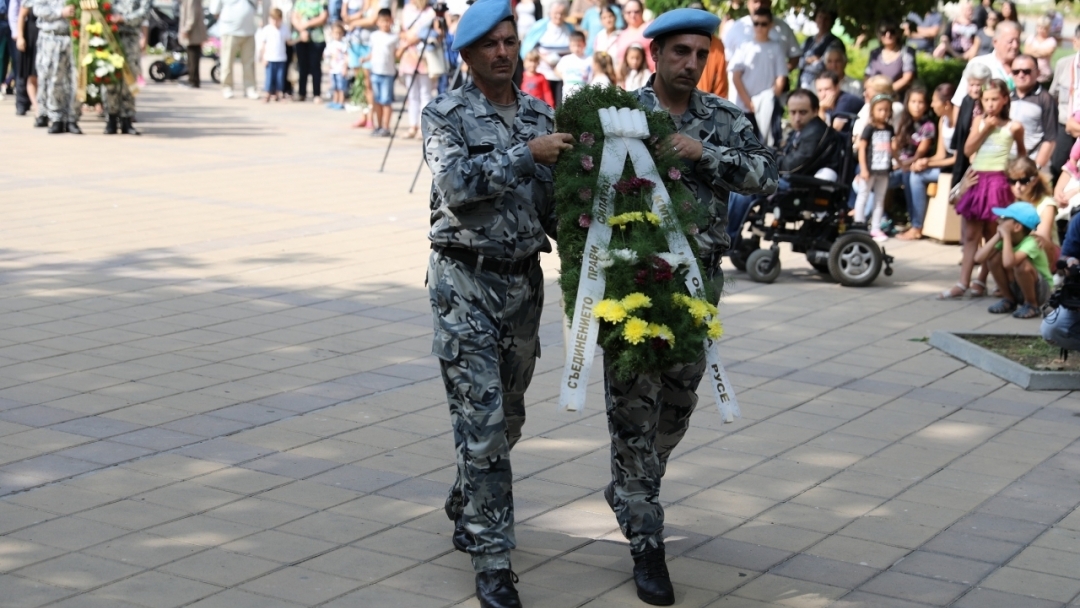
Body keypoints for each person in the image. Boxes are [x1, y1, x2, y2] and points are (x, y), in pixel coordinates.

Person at [614, 11, 776, 605]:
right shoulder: (613, 115)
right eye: (678, 51)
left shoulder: (724, 118)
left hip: (697, 289)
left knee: (677, 407)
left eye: (699, 53)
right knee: (633, 408)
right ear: (653, 55)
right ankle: (644, 534)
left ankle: (636, 485)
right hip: (629, 290)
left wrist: (704, 153)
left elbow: (766, 175)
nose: (690, 62)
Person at [423, 2, 574, 606]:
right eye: (489, 44)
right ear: (467, 54)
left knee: (506, 417)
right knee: (482, 427)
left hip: (522, 285)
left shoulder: (542, 113)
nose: (503, 52)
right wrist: (525, 155)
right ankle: (492, 560)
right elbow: (454, 186)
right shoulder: (446, 112)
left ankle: (469, 496)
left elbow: (555, 206)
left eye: (510, 41)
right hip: (463, 281)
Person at [944, 79, 1026, 300]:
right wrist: (985, 129)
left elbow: (1021, 155)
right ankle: (963, 282)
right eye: (986, 99)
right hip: (977, 180)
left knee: (992, 234)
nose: (990, 104)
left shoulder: (1014, 126)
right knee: (971, 234)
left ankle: (983, 279)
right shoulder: (979, 121)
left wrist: (1017, 179)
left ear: (1005, 100)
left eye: (994, 99)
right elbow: (968, 148)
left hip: (998, 182)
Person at [728, 89, 839, 242]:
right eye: (793, 112)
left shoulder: (815, 131)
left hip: (801, 184)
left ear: (815, 111)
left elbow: (791, 166)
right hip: (792, 180)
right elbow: (783, 155)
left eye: (802, 112)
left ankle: (728, 238)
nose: (797, 117)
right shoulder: (803, 130)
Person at [902, 83, 957, 240]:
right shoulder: (942, 121)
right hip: (945, 165)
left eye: (934, 101)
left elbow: (956, 159)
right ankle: (915, 223)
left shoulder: (960, 122)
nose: (932, 105)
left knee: (917, 176)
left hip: (957, 169)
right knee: (915, 171)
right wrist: (925, 161)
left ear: (946, 104)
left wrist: (928, 164)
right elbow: (940, 154)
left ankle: (917, 226)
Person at [977, 202, 1052, 318]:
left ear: (1017, 227)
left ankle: (1032, 305)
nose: (998, 221)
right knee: (993, 258)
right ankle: (1009, 300)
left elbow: (1008, 263)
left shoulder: (1032, 242)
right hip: (1019, 286)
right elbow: (978, 258)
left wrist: (1005, 235)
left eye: (1004, 219)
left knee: (1022, 265)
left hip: (1041, 291)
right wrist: (997, 236)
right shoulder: (1006, 241)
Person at [730, 8, 786, 145]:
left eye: (764, 23)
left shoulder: (776, 48)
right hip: (744, 108)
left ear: (770, 25)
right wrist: (749, 104)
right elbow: (735, 76)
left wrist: (770, 99)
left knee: (768, 147)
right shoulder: (744, 46)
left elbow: (781, 77)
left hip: (768, 107)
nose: (759, 27)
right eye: (756, 23)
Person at [32, 0, 80, 133]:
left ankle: (72, 119)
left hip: (75, 38)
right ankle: (56, 118)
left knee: (76, 81)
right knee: (54, 80)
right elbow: (38, 8)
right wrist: (60, 13)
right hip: (52, 38)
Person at [101, 0, 148, 135]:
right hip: (110, 36)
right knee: (110, 78)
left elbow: (144, 12)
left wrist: (123, 19)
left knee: (129, 79)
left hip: (130, 38)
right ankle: (111, 119)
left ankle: (127, 119)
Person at [894, 86, 935, 236]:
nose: (917, 106)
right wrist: (896, 163)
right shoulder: (903, 122)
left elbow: (921, 152)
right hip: (898, 164)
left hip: (914, 166)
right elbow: (895, 146)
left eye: (920, 102)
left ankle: (915, 224)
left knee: (908, 176)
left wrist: (904, 165)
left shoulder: (928, 126)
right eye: (913, 102)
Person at [854, 94, 895, 242]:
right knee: (863, 195)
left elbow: (892, 148)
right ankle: (859, 223)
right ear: (873, 111)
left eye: (886, 110)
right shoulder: (869, 128)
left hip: (884, 169)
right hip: (870, 169)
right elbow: (862, 148)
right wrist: (863, 168)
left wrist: (899, 162)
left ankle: (876, 227)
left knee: (880, 199)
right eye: (880, 110)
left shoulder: (890, 129)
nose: (883, 113)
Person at [953, 19, 1021, 105]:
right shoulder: (978, 64)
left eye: (1018, 41)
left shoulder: (1025, 69)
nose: (1015, 46)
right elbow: (959, 102)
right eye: (1010, 41)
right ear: (995, 42)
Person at [1009, 54, 1057, 172]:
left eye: (1026, 71)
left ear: (1038, 73)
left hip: (1031, 163)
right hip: (1006, 162)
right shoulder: (1006, 97)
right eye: (1016, 71)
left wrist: (1036, 168)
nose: (1021, 75)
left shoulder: (1045, 99)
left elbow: (1050, 138)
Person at [520, 0, 573, 104]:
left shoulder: (570, 29)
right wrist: (544, 58)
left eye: (561, 13)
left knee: (559, 104)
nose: (558, 16)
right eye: (556, 13)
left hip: (562, 76)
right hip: (543, 75)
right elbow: (529, 47)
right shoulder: (540, 27)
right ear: (550, 13)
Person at [398, 0, 438, 136]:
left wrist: (412, 39)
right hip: (409, 55)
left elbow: (433, 32)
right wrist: (407, 39)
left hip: (425, 56)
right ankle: (412, 126)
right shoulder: (407, 9)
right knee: (412, 94)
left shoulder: (431, 12)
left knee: (425, 94)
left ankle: (423, 127)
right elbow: (402, 30)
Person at [721, 0, 799, 71]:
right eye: (755, 1)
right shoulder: (736, 27)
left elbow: (795, 54)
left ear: (770, 3)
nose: (759, 5)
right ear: (748, 4)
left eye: (763, 2)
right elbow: (725, 58)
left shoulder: (783, 27)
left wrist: (781, 75)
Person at [1007, 156, 1060, 258]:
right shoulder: (1012, 202)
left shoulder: (1047, 204)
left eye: (1023, 181)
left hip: (1047, 253)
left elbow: (1041, 239)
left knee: (1021, 261)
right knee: (995, 257)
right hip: (1022, 249)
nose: (1017, 186)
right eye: (1013, 181)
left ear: (1034, 181)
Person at [1049, 25, 1080, 187]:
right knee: (1056, 167)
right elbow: (1053, 96)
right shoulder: (1064, 65)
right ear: (1076, 42)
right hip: (1064, 128)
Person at [212, 0, 258, 99]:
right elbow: (215, 10)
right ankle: (227, 87)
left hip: (249, 31)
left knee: (249, 63)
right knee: (227, 61)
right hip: (229, 31)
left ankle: (250, 87)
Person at [364, 7, 396, 134]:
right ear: (377, 21)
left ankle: (386, 126)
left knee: (386, 101)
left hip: (387, 73)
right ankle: (378, 125)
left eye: (387, 21)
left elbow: (396, 54)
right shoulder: (374, 36)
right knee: (376, 100)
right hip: (375, 71)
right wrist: (365, 59)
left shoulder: (394, 37)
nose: (385, 24)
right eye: (382, 21)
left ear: (391, 21)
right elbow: (372, 53)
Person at [865, 19, 916, 97]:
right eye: (883, 32)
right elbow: (867, 77)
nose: (888, 35)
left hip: (897, 98)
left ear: (898, 33)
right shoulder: (874, 53)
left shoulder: (906, 52)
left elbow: (907, 78)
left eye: (892, 31)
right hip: (874, 98)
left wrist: (885, 93)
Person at [291, 0, 327, 102]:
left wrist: (307, 24)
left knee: (315, 66)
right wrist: (302, 30)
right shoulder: (299, 2)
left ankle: (317, 93)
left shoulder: (322, 2)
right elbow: (294, 17)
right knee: (302, 66)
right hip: (301, 37)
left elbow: (323, 17)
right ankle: (302, 93)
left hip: (316, 38)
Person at [797, 8, 840, 90]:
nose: (822, 21)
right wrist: (807, 61)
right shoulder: (808, 40)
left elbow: (827, 65)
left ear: (832, 22)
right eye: (820, 17)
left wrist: (808, 61)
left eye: (826, 19)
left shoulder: (835, 43)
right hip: (802, 84)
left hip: (822, 86)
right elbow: (796, 61)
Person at [257, 7, 289, 102]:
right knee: (269, 77)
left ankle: (279, 93)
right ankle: (267, 93)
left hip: (281, 58)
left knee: (280, 78)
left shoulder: (284, 29)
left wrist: (299, 39)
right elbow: (263, 44)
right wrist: (263, 57)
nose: (275, 22)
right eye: (273, 19)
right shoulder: (267, 29)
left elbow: (289, 41)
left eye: (277, 20)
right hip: (269, 58)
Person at [610, 0, 651, 70]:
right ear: (624, 14)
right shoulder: (621, 35)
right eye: (629, 12)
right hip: (628, 78)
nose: (633, 15)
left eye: (636, 12)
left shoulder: (650, 28)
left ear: (642, 11)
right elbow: (620, 61)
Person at [553, 29, 588, 101]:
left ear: (584, 44)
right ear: (570, 45)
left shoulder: (589, 60)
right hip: (568, 95)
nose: (576, 48)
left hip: (584, 95)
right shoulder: (566, 59)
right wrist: (564, 77)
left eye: (579, 45)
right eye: (574, 45)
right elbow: (556, 70)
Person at [179, 0, 206, 87]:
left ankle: (193, 81)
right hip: (193, 33)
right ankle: (192, 79)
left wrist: (187, 29)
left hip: (193, 33)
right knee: (191, 57)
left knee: (193, 58)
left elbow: (192, 15)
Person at [1025, 15, 1056, 84]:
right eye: (1040, 27)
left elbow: (1045, 53)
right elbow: (1026, 52)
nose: (1042, 30)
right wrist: (1039, 52)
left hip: (1045, 75)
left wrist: (1033, 51)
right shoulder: (1031, 38)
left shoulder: (1052, 41)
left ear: (1048, 28)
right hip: (1030, 72)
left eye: (1044, 28)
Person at [324, 22, 348, 109]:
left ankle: (341, 102)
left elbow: (346, 57)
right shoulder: (331, 44)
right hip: (333, 68)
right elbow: (325, 54)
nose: (337, 35)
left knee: (341, 87)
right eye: (335, 33)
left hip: (340, 68)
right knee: (334, 87)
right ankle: (335, 100)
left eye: (339, 33)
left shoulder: (343, 44)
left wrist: (345, 67)